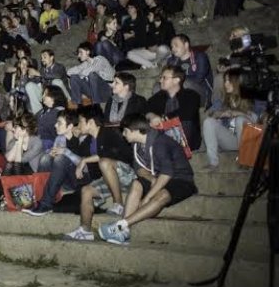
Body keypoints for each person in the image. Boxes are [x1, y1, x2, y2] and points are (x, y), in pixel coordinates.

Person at [97, 114, 197, 245]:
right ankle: (124, 234)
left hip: (181, 179)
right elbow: (139, 169)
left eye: (126, 131)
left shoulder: (159, 142)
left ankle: (122, 225)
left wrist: (147, 198)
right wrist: (151, 178)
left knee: (162, 195)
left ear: (135, 130)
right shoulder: (137, 145)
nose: (123, 134)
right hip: (159, 176)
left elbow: (167, 173)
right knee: (137, 184)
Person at [62, 106, 135, 236]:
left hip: (127, 175)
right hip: (109, 180)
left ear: (90, 122)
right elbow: (78, 154)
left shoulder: (109, 133)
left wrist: (85, 161)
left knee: (104, 162)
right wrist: (72, 136)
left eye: (81, 121)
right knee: (86, 191)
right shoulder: (89, 140)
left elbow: (107, 154)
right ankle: (85, 230)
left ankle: (118, 204)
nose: (79, 125)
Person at [201, 69, 257, 170]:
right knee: (209, 122)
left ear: (238, 82)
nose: (226, 84)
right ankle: (213, 163)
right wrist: (220, 114)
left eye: (229, 81)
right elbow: (209, 114)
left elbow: (258, 122)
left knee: (240, 120)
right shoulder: (222, 99)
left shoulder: (252, 99)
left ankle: (244, 160)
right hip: (231, 140)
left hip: (249, 140)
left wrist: (239, 113)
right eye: (225, 81)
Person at [146, 65, 202, 152]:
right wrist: (151, 115)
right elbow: (146, 109)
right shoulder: (157, 97)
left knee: (184, 121)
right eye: (161, 78)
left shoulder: (191, 95)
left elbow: (187, 114)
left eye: (164, 78)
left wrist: (163, 118)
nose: (160, 80)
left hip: (186, 139)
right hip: (163, 137)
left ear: (176, 80)